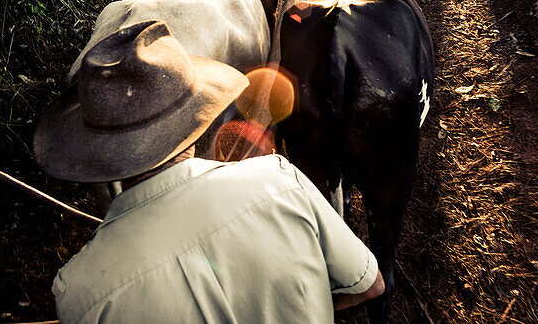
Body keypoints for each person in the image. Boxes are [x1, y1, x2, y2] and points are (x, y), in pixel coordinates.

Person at [34, 19, 384, 324]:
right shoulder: (278, 179)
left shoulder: (78, 293)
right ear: (194, 118)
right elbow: (369, 284)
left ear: (95, 152)